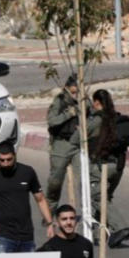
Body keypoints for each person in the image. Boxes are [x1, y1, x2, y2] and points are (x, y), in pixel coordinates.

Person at [0, 142, 54, 253]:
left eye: (9, 159)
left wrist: (50, 224)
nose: (5, 163)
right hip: (2, 236)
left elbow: (40, 199)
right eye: (2, 160)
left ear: (15, 155)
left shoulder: (27, 172)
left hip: (26, 236)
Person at [86, 89, 129, 247]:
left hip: (103, 166)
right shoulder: (118, 119)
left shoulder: (98, 121)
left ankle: (120, 227)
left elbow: (80, 137)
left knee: (97, 197)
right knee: (104, 198)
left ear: (97, 103)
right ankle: (96, 233)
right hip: (118, 167)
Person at [45, 75, 80, 205]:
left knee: (85, 181)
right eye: (73, 92)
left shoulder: (82, 101)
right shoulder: (60, 101)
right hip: (61, 144)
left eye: (78, 92)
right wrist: (68, 114)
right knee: (55, 182)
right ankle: (49, 212)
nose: (75, 95)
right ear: (66, 89)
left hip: (78, 145)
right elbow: (52, 121)